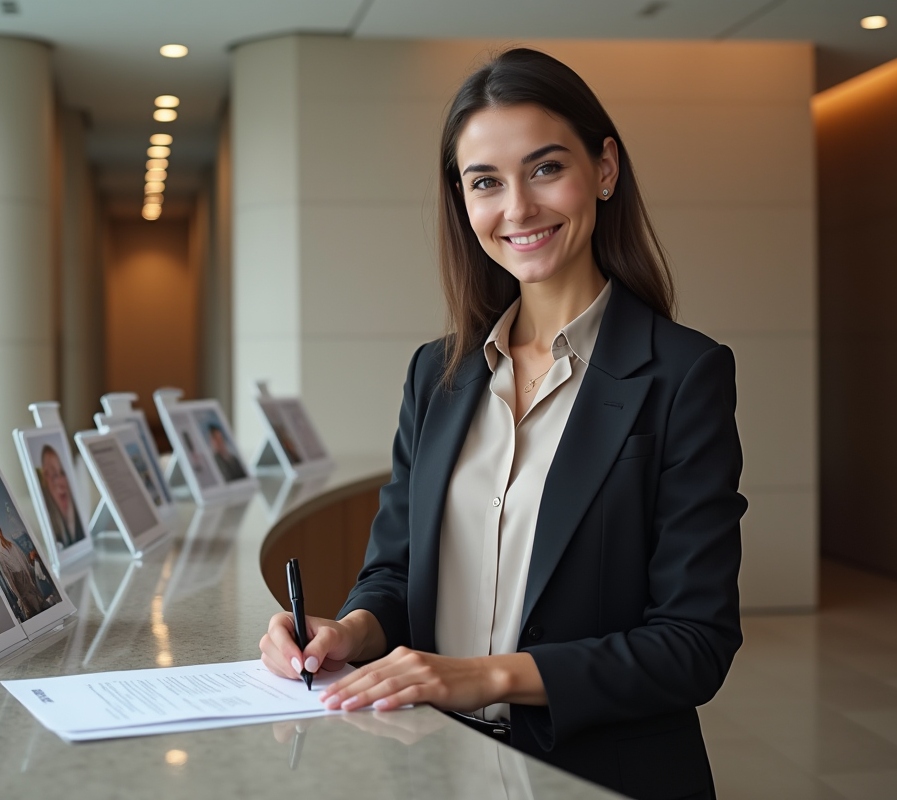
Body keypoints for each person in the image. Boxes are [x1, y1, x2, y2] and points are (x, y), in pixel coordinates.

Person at [260, 48, 746, 800]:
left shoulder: (684, 375)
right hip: (432, 764)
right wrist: (348, 633)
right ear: (463, 200)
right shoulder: (438, 374)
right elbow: (395, 573)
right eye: (485, 182)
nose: (517, 208)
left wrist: (478, 676)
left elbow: (693, 644)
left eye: (546, 168)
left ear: (605, 169)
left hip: (601, 774)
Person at [0, 496, 48, 620]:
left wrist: (32, 558)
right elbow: (12, 584)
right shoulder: (1, 553)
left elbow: (29, 570)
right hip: (30, 605)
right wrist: (25, 605)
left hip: (38, 594)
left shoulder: (12, 544)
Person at [39, 444, 84, 548]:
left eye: (62, 473)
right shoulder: (50, 525)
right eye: (54, 475)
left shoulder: (77, 516)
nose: (60, 482)